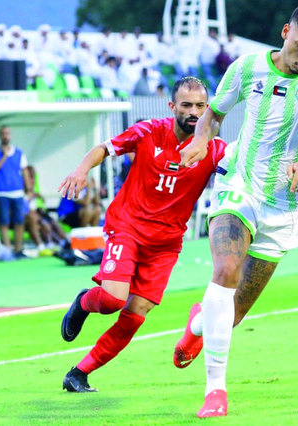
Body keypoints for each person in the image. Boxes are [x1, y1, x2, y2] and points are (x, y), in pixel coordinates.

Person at [173, 3, 298, 418]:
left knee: (232, 313)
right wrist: (202, 141)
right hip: (238, 185)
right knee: (224, 270)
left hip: (284, 205)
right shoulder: (245, 67)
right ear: (284, 32)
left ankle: (199, 324)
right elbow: (213, 116)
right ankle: (215, 392)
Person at [57, 77, 227, 393]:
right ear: (172, 106)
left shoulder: (215, 149)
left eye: (200, 106)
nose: (194, 112)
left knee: (135, 315)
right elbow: (104, 149)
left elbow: (243, 169)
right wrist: (81, 170)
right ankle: (84, 302)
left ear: (208, 109)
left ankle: (79, 373)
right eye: (187, 105)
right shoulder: (149, 131)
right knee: (111, 300)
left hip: (165, 245)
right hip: (128, 228)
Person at [0, 126, 33, 259]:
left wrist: (29, 189)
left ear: (11, 135)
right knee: (4, 221)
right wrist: (4, 156)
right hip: (1, 192)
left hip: (17, 192)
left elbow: (25, 172)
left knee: (19, 221)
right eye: (3, 134)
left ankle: (18, 249)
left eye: (7, 133)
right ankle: (7, 250)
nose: (5, 136)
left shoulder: (19, 153)